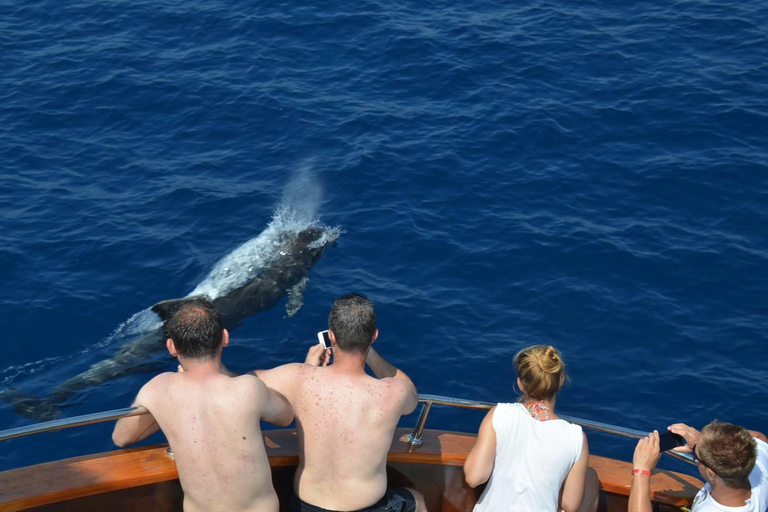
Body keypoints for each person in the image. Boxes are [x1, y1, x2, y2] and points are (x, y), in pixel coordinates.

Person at [230, 293, 426, 512]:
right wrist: (368, 352)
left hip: (306, 507)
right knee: (416, 499)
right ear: (374, 336)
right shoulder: (393, 391)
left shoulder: (298, 377)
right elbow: (411, 397)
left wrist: (308, 368)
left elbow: (244, 383)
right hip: (367, 507)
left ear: (331, 336)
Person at [112, 299, 294, 512]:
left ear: (171, 347)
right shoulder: (248, 388)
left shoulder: (156, 389)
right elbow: (286, 415)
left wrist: (165, 409)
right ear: (224, 338)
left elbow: (121, 437)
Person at [463, 345, 597, 512]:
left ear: (520, 383)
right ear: (561, 380)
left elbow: (474, 477)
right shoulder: (576, 438)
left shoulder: (499, 414)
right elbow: (570, 504)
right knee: (591, 480)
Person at [629, 421, 768, 512]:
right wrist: (701, 443)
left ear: (711, 474)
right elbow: (759, 437)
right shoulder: (758, 467)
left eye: (697, 456)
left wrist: (642, 470)